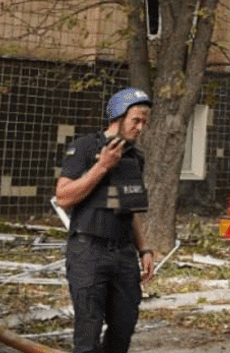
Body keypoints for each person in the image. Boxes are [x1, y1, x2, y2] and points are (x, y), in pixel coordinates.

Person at [56, 89, 157, 353]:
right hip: (89, 251)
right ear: (118, 117)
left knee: (123, 329)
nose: (140, 127)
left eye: (144, 121)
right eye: (136, 120)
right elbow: (64, 197)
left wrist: (143, 248)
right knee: (88, 333)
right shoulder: (86, 147)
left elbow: (128, 208)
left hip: (123, 254)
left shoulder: (135, 157)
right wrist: (102, 166)